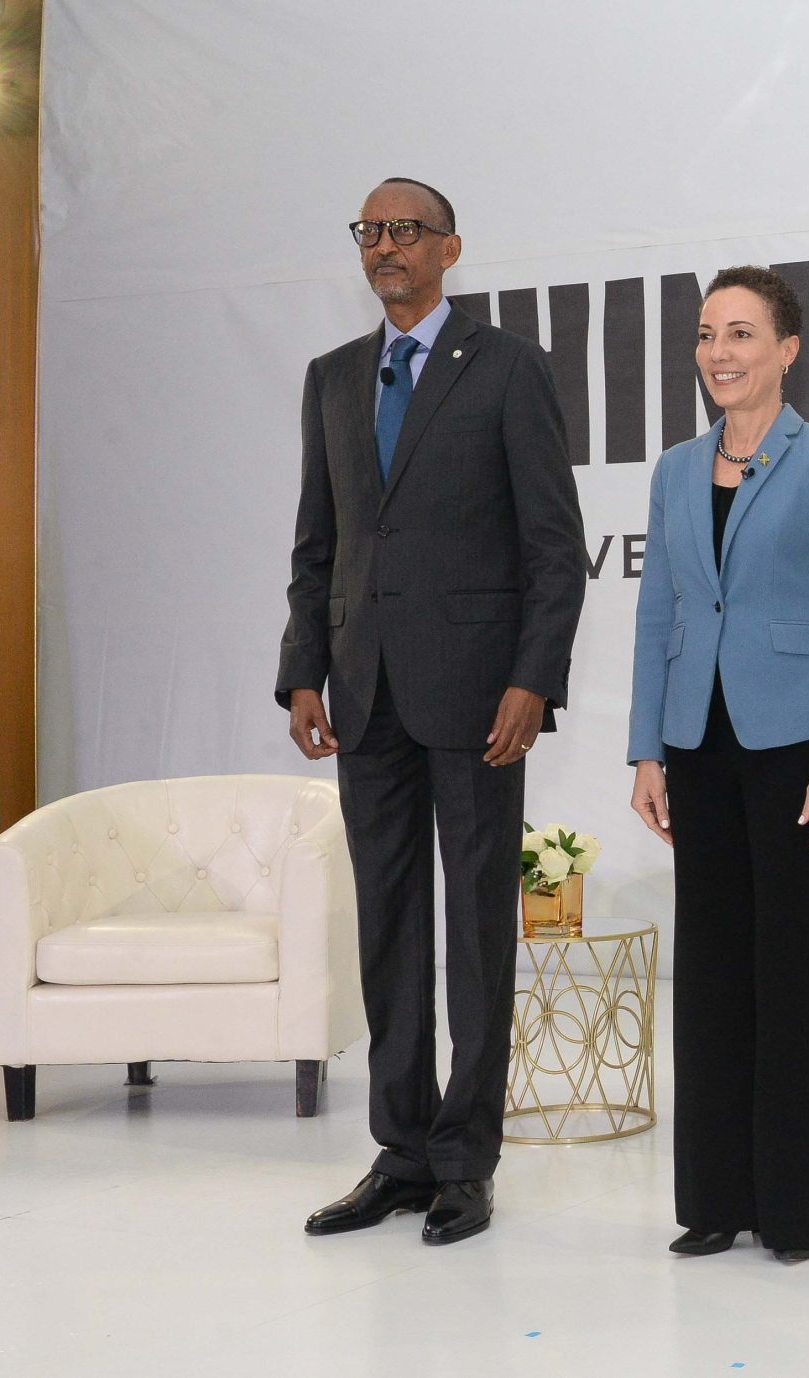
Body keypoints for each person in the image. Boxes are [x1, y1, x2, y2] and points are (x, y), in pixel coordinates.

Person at [279, 177, 587, 1246]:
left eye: (405, 230)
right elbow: (316, 549)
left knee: (475, 933)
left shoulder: (506, 367)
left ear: (450, 248)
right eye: (368, 229)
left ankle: (466, 1157)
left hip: (476, 696)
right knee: (388, 929)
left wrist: (532, 679)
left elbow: (554, 546)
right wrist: (302, 671)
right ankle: (402, 1149)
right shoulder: (331, 379)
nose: (384, 246)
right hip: (363, 695)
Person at [627, 266, 809, 1264]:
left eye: (740, 334)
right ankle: (716, 1197)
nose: (717, 353)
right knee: (714, 975)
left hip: (794, 750)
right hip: (698, 743)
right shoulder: (675, 469)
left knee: (795, 976)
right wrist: (645, 745)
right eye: (704, 335)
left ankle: (799, 1210)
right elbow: (659, 615)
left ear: (786, 349)